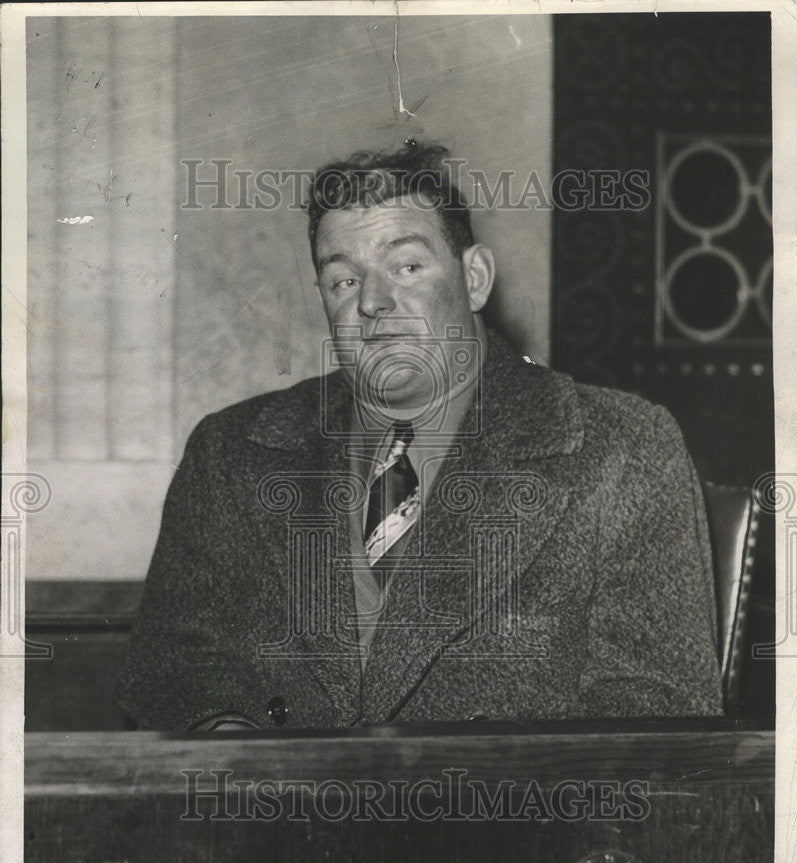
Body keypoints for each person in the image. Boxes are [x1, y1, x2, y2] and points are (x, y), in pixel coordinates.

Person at [117, 142, 723, 731]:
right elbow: (170, 666)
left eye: (406, 266)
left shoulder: (622, 448)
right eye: (343, 281)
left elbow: (655, 721)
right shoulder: (230, 451)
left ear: (476, 278)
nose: (375, 302)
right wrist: (229, 745)